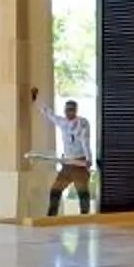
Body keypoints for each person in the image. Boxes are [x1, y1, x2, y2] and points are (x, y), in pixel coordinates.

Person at [32, 85, 94, 216]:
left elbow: (85, 141)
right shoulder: (62, 122)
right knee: (55, 190)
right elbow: (48, 113)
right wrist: (36, 99)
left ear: (75, 110)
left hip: (79, 163)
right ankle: (51, 217)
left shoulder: (82, 123)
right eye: (66, 109)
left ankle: (85, 218)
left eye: (71, 109)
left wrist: (89, 159)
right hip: (67, 164)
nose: (68, 112)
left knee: (83, 193)